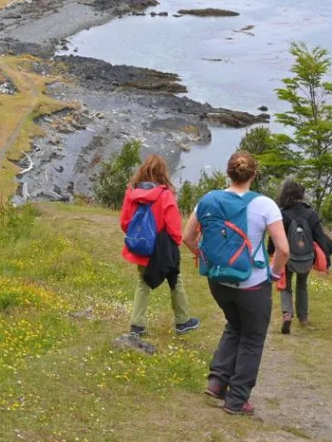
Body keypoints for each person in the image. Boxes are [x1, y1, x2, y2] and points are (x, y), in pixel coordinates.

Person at [185, 151, 289, 416]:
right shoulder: (264, 205)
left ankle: (218, 382)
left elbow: (187, 237)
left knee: (234, 324)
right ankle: (237, 399)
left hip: (218, 281)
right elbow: (283, 249)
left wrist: (205, 257)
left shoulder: (208, 199)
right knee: (253, 338)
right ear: (254, 174)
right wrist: (274, 276)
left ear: (228, 172)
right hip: (252, 284)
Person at [119, 154, 200, 338]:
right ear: (163, 173)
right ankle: (183, 320)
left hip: (142, 247)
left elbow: (125, 222)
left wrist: (140, 237)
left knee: (143, 282)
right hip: (163, 246)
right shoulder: (165, 195)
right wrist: (174, 244)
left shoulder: (131, 192)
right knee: (175, 280)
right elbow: (173, 227)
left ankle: (136, 325)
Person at [274, 179, 332, 334]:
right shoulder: (310, 213)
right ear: (301, 195)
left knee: (286, 286)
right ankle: (303, 318)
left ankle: (287, 314)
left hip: (288, 257)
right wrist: (327, 261)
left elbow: (275, 237)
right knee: (302, 285)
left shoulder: (283, 214)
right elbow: (320, 238)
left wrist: (272, 252)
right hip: (306, 258)